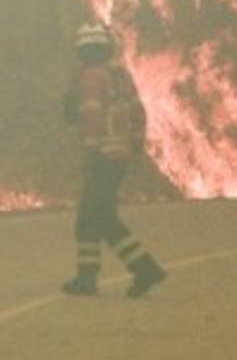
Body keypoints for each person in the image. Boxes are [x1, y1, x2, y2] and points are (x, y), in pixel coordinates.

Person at [60, 22, 166, 298]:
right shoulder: (120, 76)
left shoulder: (91, 78)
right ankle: (88, 278)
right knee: (92, 217)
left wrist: (91, 151)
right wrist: (135, 146)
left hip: (101, 157)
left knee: (98, 218)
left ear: (82, 51)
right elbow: (138, 113)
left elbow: (91, 116)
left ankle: (144, 269)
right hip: (119, 156)